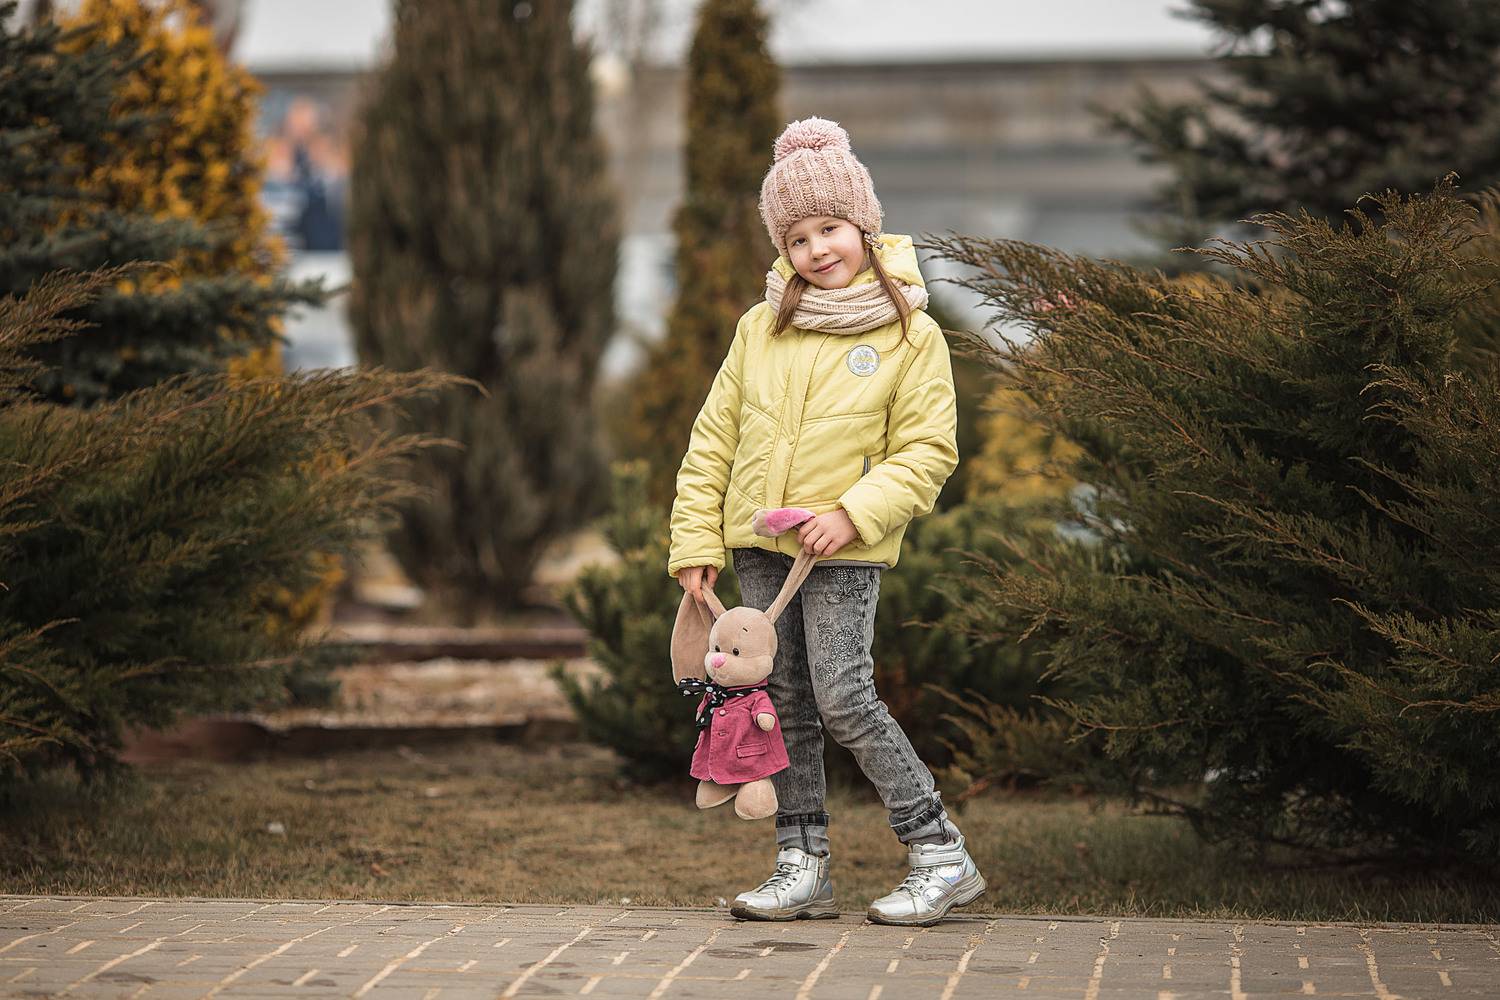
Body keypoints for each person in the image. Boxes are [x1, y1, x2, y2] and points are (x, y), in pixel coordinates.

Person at [667, 117, 984, 927]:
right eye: (797, 237)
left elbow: (928, 450)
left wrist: (853, 514)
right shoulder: (761, 327)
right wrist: (695, 540)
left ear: (864, 226)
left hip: (841, 548)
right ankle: (801, 864)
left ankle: (939, 851)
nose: (816, 249)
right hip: (758, 547)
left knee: (842, 696)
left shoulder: (909, 332)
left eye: (831, 228)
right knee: (781, 701)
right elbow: (713, 438)